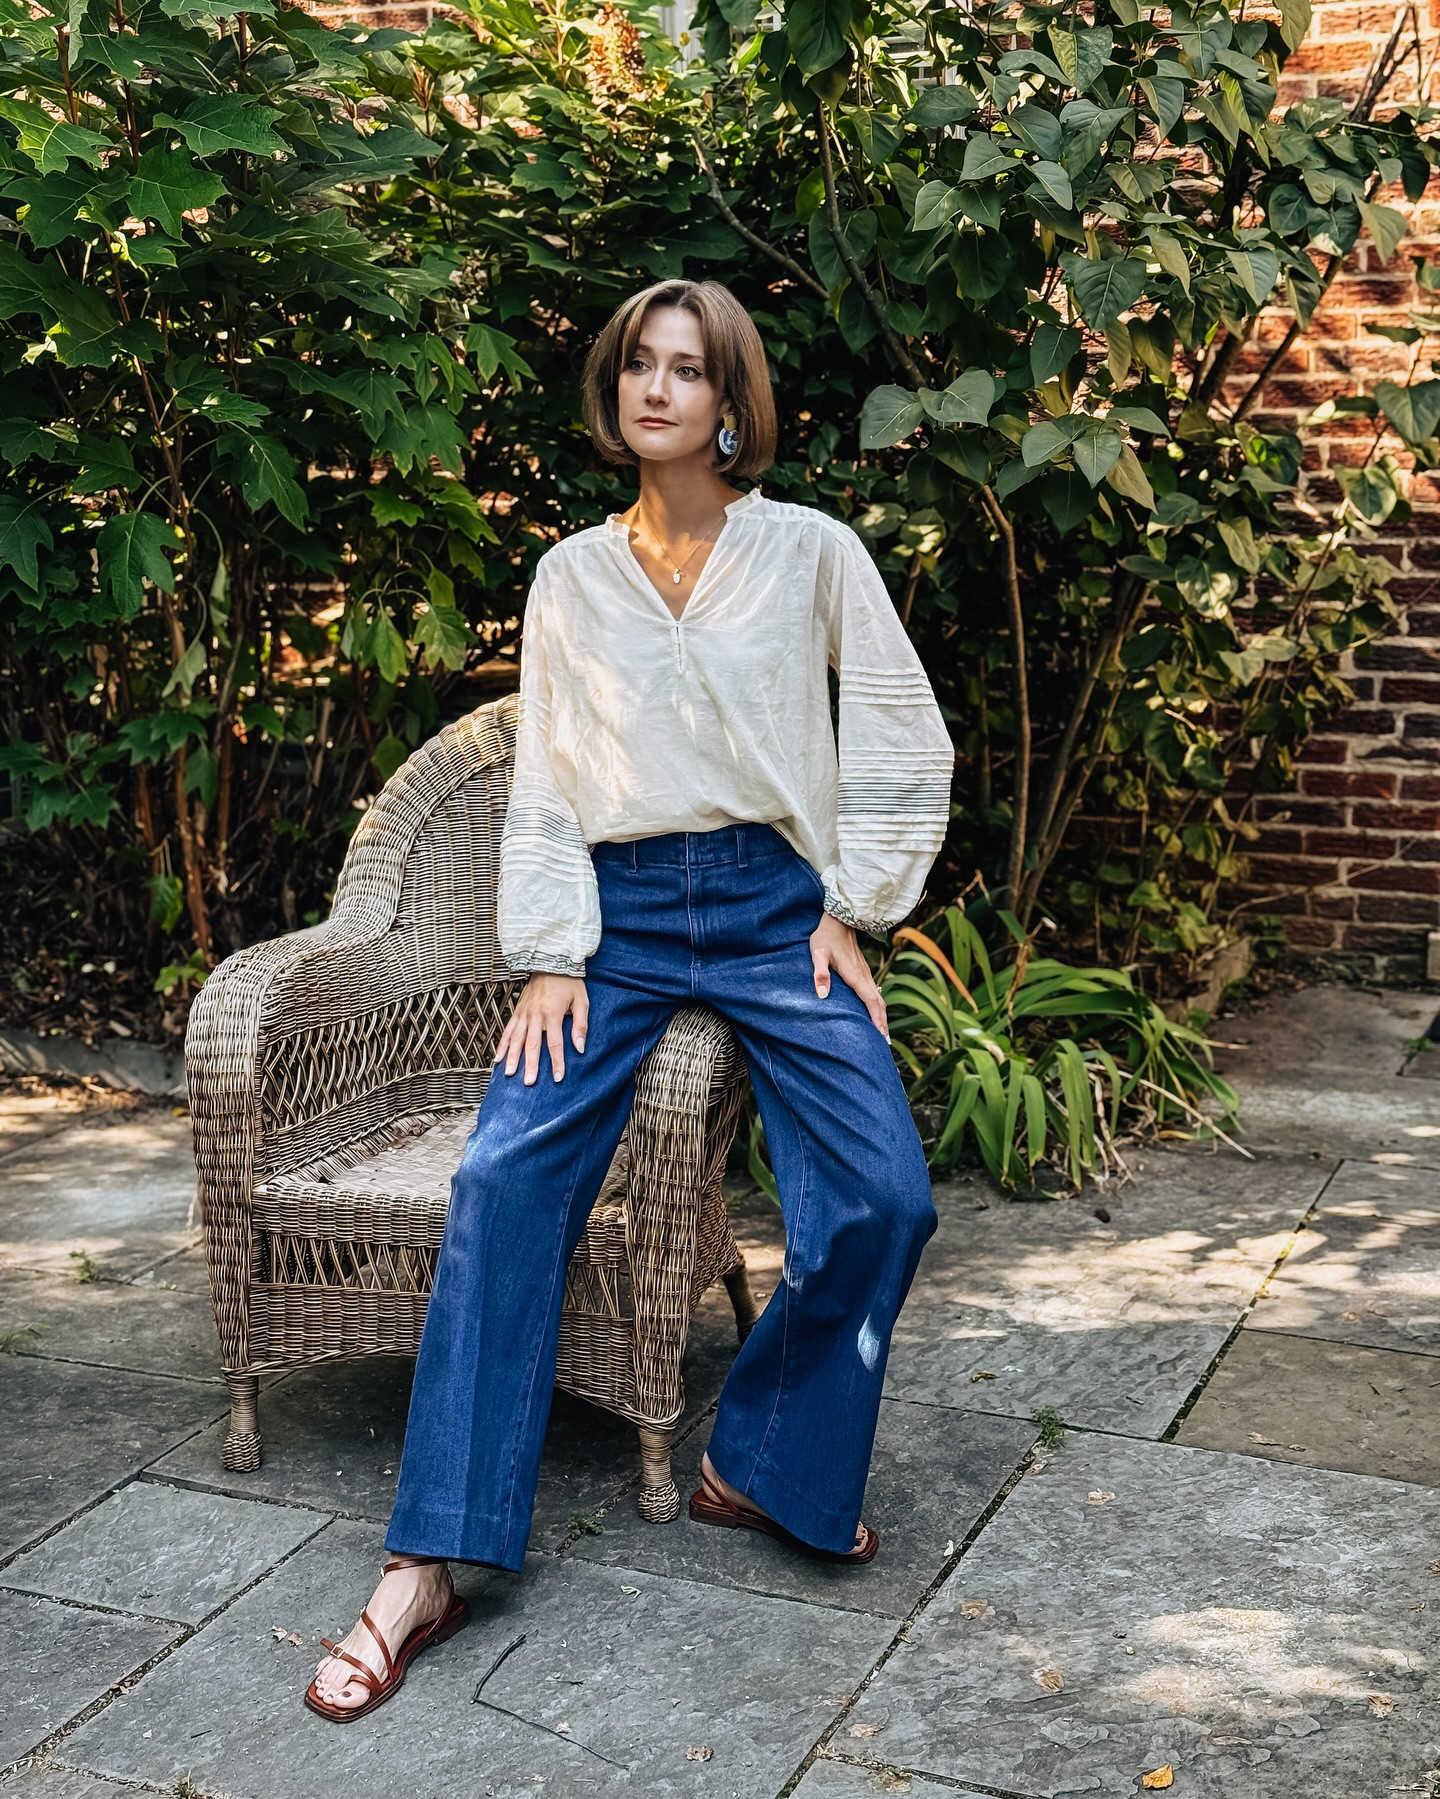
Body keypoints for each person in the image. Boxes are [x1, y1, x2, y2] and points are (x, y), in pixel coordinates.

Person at [304, 277, 954, 1722]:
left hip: (781, 911)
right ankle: (429, 1562)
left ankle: (762, 1459)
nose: (661, 389)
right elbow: (550, 776)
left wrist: (858, 908)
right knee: (502, 1178)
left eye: (692, 369)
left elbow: (904, 728)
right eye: (640, 366)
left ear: (733, 402)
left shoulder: (811, 552)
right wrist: (549, 946)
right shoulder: (571, 578)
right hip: (618, 920)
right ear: (616, 391)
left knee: (888, 1196)